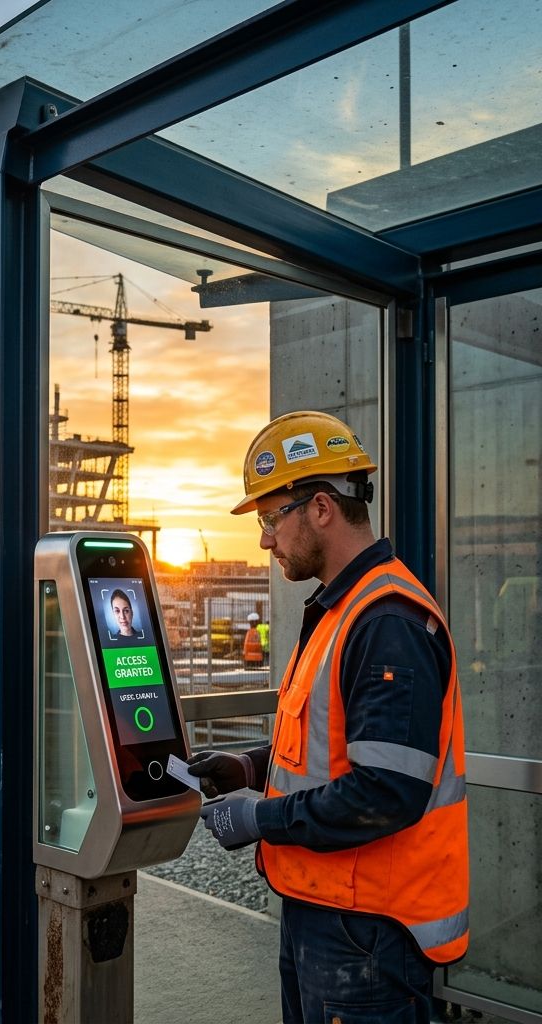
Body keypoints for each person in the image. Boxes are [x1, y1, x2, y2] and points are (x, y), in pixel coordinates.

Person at [189, 410, 469, 1024]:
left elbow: (386, 792)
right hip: (328, 911)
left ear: (320, 508)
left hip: (368, 930)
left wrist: (260, 817)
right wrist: (248, 767)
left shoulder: (386, 622)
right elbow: (325, 743)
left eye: (270, 518)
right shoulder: (341, 611)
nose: (265, 540)